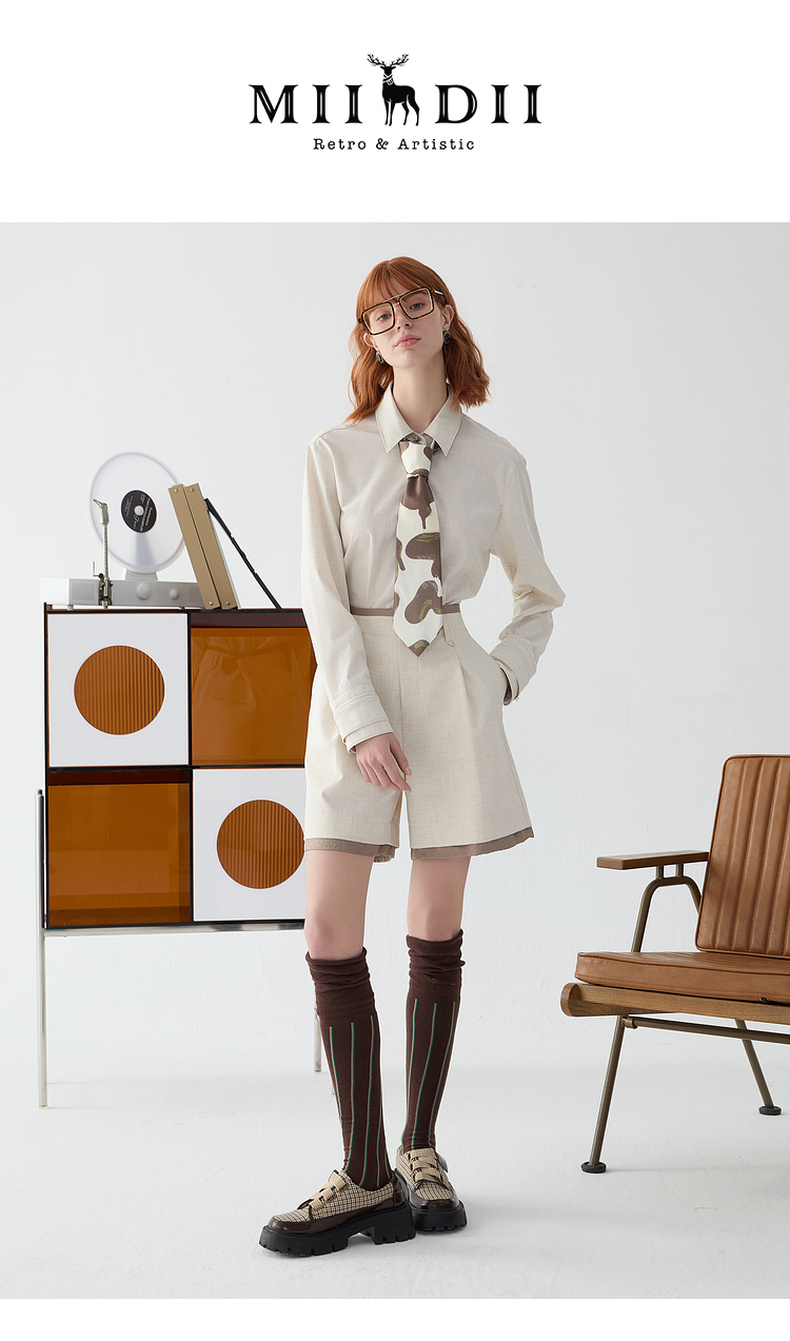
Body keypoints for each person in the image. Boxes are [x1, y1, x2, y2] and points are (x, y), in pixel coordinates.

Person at [259, 257, 565, 1256]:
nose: (399, 323)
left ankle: (419, 1151)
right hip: (353, 687)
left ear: (444, 316)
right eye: (379, 315)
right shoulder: (334, 452)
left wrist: (498, 678)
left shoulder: (497, 462)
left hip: (450, 691)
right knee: (327, 925)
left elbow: (537, 596)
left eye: (414, 305)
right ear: (368, 338)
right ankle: (363, 1175)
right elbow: (319, 598)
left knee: (434, 927)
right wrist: (359, 717)